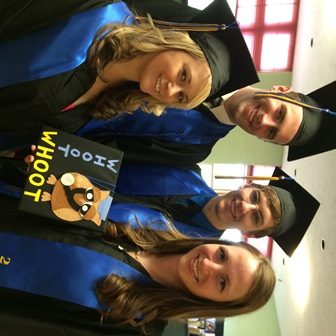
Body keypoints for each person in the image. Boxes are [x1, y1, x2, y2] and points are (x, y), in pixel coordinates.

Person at [0, 192, 275, 336]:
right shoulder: (150, 226)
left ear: (217, 305)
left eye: (223, 282)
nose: (209, 265)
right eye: (222, 256)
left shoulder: (136, 325)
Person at [0, 0, 258, 148]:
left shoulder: (106, 107)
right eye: (183, 76)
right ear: (178, 44)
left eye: (181, 97)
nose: (171, 90)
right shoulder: (96, 12)